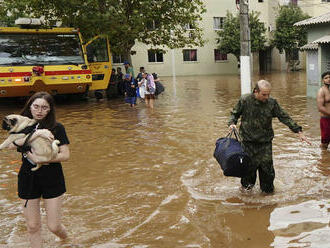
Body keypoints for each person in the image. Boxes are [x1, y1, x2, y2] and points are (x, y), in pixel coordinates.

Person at [8, 92, 70, 247]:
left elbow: (65, 155)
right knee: (33, 226)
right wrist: (35, 134)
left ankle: (67, 240)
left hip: (52, 176)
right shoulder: (21, 126)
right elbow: (10, 145)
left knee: (54, 226)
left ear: (50, 110)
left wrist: (44, 159)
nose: (39, 110)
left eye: (44, 107)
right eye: (36, 106)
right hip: (27, 177)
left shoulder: (57, 127)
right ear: (30, 106)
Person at [228, 80, 310, 194]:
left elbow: (284, 116)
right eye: (264, 94)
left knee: (268, 172)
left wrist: (298, 131)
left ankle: (268, 198)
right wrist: (232, 123)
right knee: (248, 173)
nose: (266, 97)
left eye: (268, 94)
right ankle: (246, 199)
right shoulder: (245, 100)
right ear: (255, 91)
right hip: (247, 143)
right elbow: (234, 113)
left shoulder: (272, 103)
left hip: (265, 144)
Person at [316, 71, 330, 150]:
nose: (328, 79)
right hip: (326, 119)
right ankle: (323, 158)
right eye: (326, 78)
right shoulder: (321, 91)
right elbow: (320, 107)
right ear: (323, 80)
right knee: (325, 143)